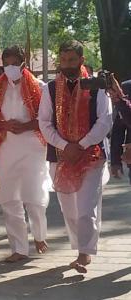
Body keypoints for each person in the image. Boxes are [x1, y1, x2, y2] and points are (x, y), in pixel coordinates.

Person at [38, 40, 112, 273]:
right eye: (63, 60)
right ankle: (79, 246)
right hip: (60, 157)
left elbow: (105, 119)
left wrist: (80, 145)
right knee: (69, 208)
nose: (67, 65)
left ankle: (84, 254)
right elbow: (44, 122)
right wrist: (64, 145)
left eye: (72, 60)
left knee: (86, 207)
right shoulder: (50, 88)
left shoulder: (97, 84)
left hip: (91, 154)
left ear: (81, 60)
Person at [0, 45, 50, 263]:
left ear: (24, 63)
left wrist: (28, 126)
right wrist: (4, 125)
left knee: (34, 198)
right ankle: (19, 248)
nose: (10, 68)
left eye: (14, 63)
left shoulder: (40, 87)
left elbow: (47, 119)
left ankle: (40, 236)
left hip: (33, 148)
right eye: (6, 64)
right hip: (5, 148)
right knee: (10, 199)